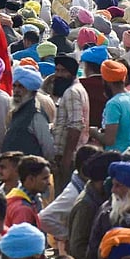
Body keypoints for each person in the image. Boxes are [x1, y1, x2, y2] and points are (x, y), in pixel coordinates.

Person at [87, 161, 130, 259]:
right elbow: (92, 255)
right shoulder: (105, 213)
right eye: (113, 185)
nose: (113, 190)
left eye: (118, 186)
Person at [91, 60, 130, 152]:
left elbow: (109, 140)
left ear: (106, 81)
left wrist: (94, 133)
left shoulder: (113, 104)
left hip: (116, 157)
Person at [51, 54, 89, 188]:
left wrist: (66, 160)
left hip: (69, 157)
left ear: (72, 73)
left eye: (63, 71)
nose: (59, 74)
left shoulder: (72, 92)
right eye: (57, 70)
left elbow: (76, 126)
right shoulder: (75, 89)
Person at [3, 67, 55, 158]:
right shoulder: (17, 111)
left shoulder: (36, 115)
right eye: (14, 86)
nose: (16, 90)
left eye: (21, 86)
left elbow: (48, 147)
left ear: (31, 90)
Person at [5, 155, 51, 229]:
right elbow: (22, 239)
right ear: (31, 179)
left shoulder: (27, 200)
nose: (48, 183)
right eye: (45, 178)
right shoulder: (22, 209)